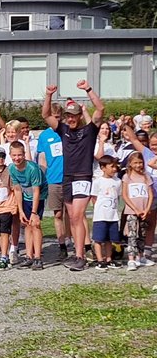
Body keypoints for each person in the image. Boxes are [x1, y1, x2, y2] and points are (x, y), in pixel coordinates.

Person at [42, 81, 104, 272]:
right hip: (67, 177)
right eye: (68, 116)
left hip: (83, 176)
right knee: (73, 218)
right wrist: (48, 95)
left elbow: (100, 108)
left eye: (74, 115)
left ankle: (81, 256)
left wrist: (88, 89)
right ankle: (79, 255)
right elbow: (45, 115)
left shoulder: (89, 131)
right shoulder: (63, 130)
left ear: (79, 116)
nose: (70, 119)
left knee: (77, 215)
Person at [36, 102, 69, 259]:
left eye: (58, 117)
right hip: (53, 179)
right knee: (57, 214)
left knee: (73, 214)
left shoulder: (67, 131)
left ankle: (76, 242)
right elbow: (42, 158)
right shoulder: (44, 136)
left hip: (70, 177)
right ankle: (62, 245)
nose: (56, 120)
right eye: (53, 117)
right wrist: (43, 176)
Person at [8, 140, 47, 270]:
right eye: (14, 155)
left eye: (19, 155)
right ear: (10, 155)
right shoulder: (12, 168)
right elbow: (17, 189)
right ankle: (29, 256)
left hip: (38, 196)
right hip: (25, 196)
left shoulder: (32, 169)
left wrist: (34, 212)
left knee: (35, 224)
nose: (17, 158)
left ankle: (37, 257)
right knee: (26, 225)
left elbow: (36, 191)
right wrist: (21, 211)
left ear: (24, 154)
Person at [122, 151, 154, 271]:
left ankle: (141, 257)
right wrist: (135, 209)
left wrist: (147, 209)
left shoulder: (146, 177)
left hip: (144, 211)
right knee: (132, 234)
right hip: (132, 211)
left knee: (142, 234)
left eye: (140, 162)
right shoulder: (127, 177)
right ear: (130, 164)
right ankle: (131, 258)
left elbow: (150, 194)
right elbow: (125, 195)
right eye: (135, 163)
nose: (138, 165)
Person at [91, 155, 122, 270]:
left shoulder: (118, 181)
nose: (114, 169)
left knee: (110, 239)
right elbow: (94, 197)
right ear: (103, 168)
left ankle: (109, 258)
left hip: (112, 215)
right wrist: (98, 209)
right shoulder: (98, 181)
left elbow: (118, 196)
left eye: (115, 166)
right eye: (111, 166)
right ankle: (100, 260)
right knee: (98, 239)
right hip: (100, 215)